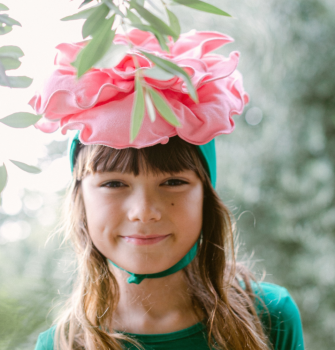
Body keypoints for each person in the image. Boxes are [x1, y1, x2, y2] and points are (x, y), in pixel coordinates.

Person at [31, 30, 304, 350]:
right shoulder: (62, 345)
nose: (144, 211)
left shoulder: (269, 317)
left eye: (173, 182)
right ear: (81, 199)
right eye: (114, 184)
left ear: (206, 195)